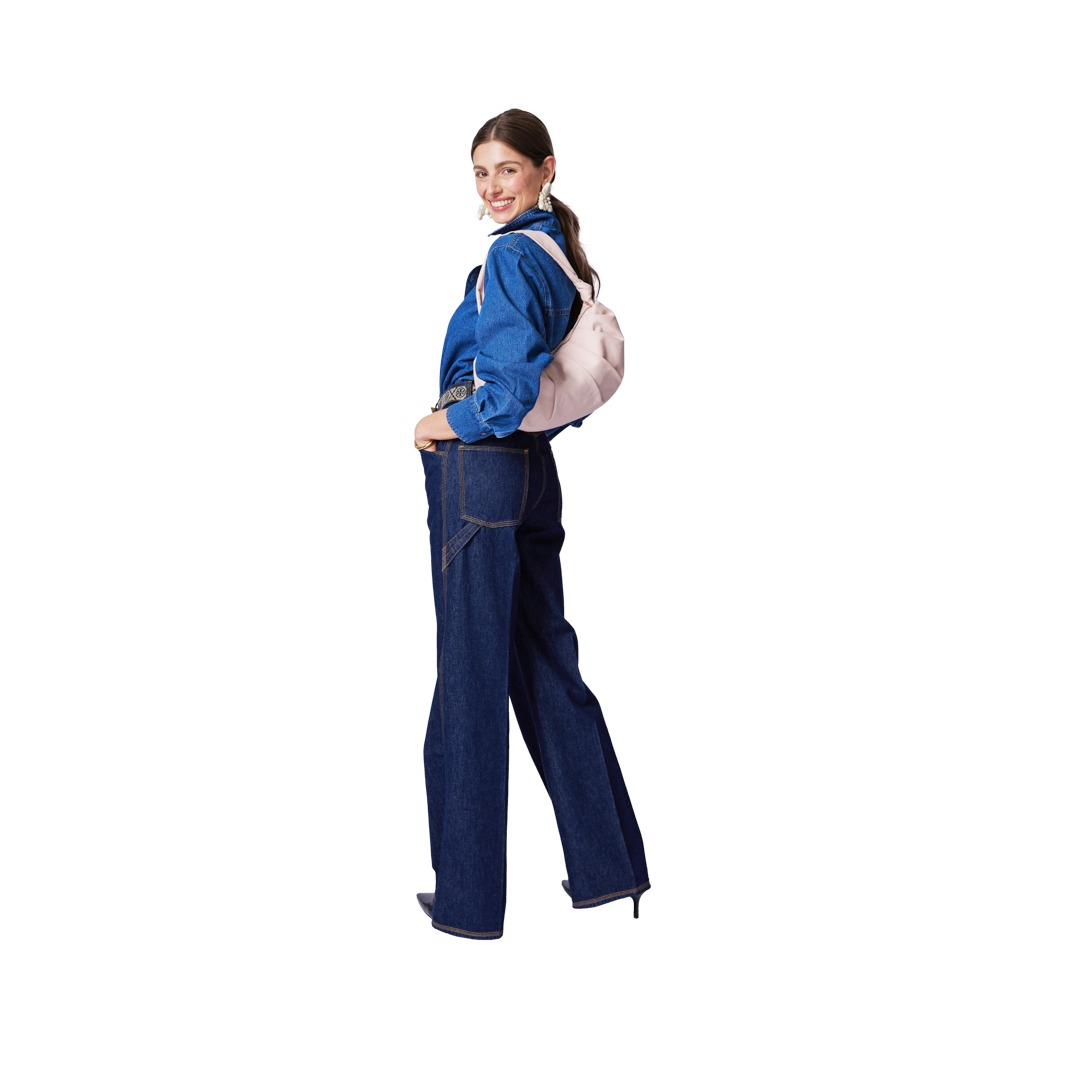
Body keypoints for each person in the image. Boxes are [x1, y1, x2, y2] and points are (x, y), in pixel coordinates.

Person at [412, 109, 650, 940]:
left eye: (507, 169)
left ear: (546, 169)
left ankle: (469, 902)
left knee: (470, 682)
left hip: (479, 473)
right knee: (546, 665)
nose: (492, 187)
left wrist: (440, 423)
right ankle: (610, 867)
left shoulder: (513, 255)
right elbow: (552, 395)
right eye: (481, 173)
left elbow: (508, 392)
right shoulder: (558, 254)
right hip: (529, 475)